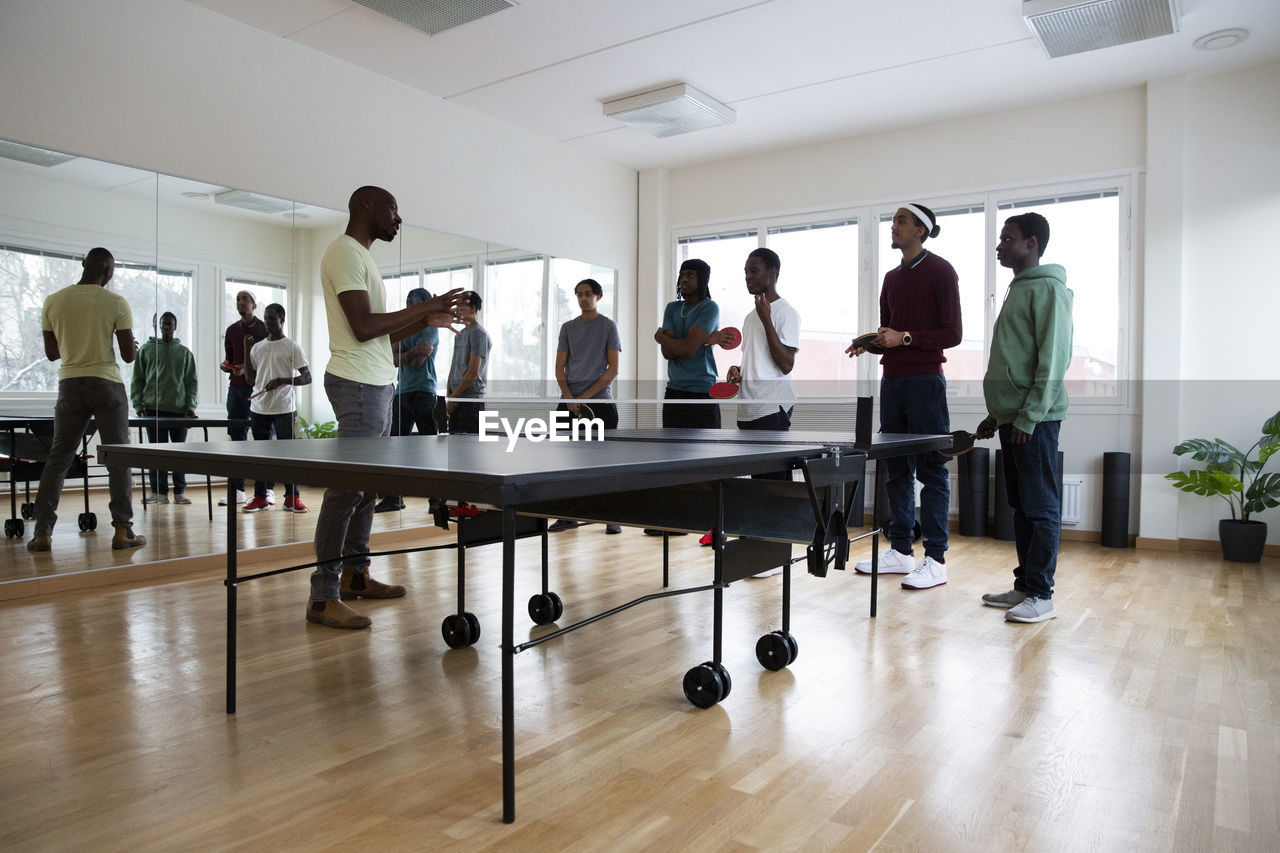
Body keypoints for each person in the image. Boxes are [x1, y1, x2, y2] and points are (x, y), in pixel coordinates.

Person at [310, 185, 463, 630]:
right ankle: (323, 596)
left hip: (376, 384)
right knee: (345, 489)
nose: (399, 219)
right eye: (394, 210)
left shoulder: (362, 258)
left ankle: (357, 575)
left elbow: (380, 334)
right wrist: (426, 307)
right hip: (357, 382)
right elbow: (361, 328)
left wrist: (424, 319)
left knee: (368, 487)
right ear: (368, 206)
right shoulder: (344, 253)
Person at [847, 203, 961, 591]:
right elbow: (890, 337)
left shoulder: (942, 271)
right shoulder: (891, 279)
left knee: (931, 470)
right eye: (894, 220)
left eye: (901, 221)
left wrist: (905, 337)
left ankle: (936, 558)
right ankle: (899, 551)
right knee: (895, 470)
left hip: (926, 383)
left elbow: (952, 333)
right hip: (892, 383)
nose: (893, 226)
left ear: (921, 231)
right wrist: (870, 343)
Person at [976, 212, 1072, 623]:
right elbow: (1013, 360)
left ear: (1031, 243)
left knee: (1040, 506)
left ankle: (1042, 594)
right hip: (1013, 420)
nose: (1000, 246)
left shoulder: (1049, 290)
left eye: (1008, 239)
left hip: (1035, 421)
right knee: (1020, 505)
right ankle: (1025, 586)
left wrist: (1029, 417)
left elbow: (1053, 361)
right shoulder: (1019, 289)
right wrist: (996, 416)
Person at [28, 247, 146, 553]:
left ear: (84, 265)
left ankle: (42, 532)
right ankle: (123, 530)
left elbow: (52, 354)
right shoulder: (115, 302)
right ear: (108, 271)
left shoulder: (54, 300)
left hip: (69, 384)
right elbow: (129, 356)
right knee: (118, 458)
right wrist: (131, 343)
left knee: (59, 458)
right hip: (107, 384)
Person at [549, 278, 622, 534]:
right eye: (579, 294)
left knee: (603, 463)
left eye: (588, 294)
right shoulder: (567, 328)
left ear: (598, 296)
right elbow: (559, 368)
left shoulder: (609, 326)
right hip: (569, 403)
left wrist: (584, 398)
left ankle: (612, 515)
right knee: (567, 462)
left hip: (599, 404)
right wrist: (569, 397)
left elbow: (612, 368)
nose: (583, 298)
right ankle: (567, 515)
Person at [707, 248, 800, 434]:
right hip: (746, 411)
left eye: (754, 271)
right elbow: (760, 361)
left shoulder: (786, 312)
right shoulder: (750, 317)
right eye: (746, 272)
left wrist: (766, 318)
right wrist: (739, 370)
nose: (747, 277)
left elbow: (786, 364)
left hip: (771, 409)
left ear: (771, 272)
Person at [375, 287, 441, 513]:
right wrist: (411, 350)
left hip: (424, 393)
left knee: (429, 449)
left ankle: (436, 501)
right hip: (402, 393)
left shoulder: (430, 328)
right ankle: (394, 498)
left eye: (412, 303)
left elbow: (416, 363)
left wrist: (403, 350)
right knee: (395, 447)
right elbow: (392, 360)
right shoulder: (404, 328)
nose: (407, 308)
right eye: (406, 302)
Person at [242, 303, 311, 513]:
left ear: (282, 319)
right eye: (265, 318)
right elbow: (250, 379)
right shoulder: (257, 347)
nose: (267, 322)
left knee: (288, 455)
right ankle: (260, 498)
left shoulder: (292, 346)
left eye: (271, 318)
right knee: (261, 456)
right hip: (259, 408)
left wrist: (282, 380)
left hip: (283, 407)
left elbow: (307, 377)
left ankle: (292, 497)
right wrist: (246, 350)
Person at [130, 310, 197, 505]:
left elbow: (191, 382)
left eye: (170, 323)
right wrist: (138, 404)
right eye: (163, 323)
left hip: (179, 412)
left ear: (175, 326)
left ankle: (179, 492)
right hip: (153, 410)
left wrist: (190, 407)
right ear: (158, 327)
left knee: (179, 454)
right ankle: (158, 492)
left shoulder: (184, 353)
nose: (166, 326)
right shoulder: (146, 350)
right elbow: (137, 380)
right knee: (156, 454)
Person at [655, 259, 720, 429]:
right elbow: (667, 353)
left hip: (702, 393)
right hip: (674, 392)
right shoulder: (672, 308)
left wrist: (661, 338)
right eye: (682, 275)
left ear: (703, 280)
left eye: (690, 275)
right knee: (672, 452)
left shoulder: (710, 308)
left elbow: (688, 350)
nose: (684, 279)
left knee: (706, 453)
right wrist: (679, 345)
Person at [220, 290, 267, 506]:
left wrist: (248, 370)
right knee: (237, 439)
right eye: (238, 300)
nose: (240, 303)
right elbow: (230, 359)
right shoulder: (231, 330)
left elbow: (267, 361)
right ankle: (238, 490)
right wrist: (228, 366)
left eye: (244, 299)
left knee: (262, 441)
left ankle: (264, 491)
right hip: (236, 390)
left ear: (254, 305)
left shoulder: (264, 329)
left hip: (257, 390)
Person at [445, 291, 490, 435]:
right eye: (456, 305)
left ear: (473, 307)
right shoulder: (460, 334)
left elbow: (473, 372)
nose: (457, 309)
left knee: (471, 450)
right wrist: (449, 396)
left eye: (461, 305)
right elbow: (453, 368)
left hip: (471, 400)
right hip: (456, 399)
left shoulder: (479, 333)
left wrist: (454, 397)